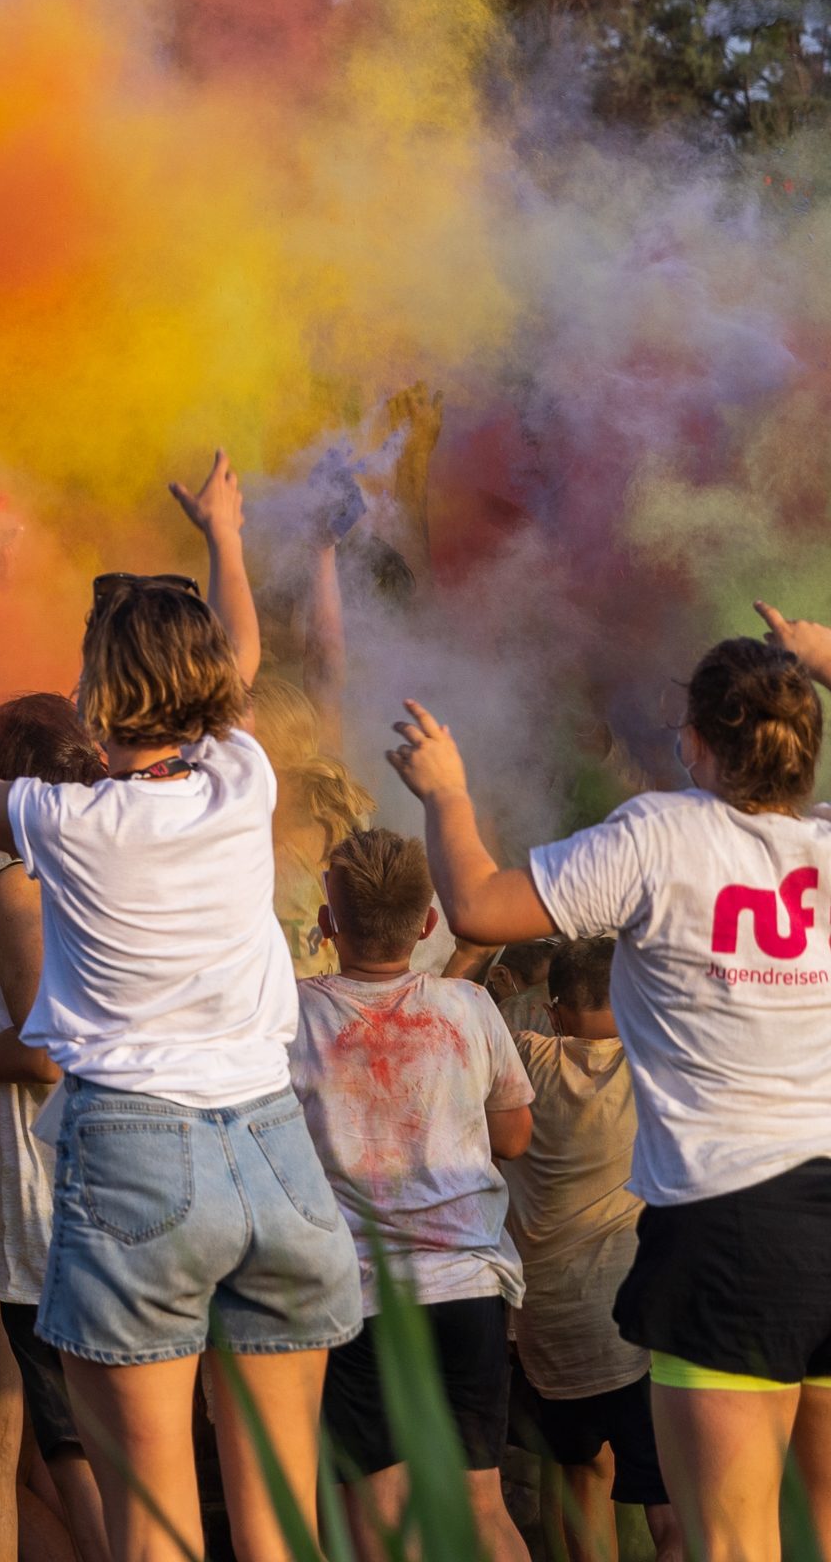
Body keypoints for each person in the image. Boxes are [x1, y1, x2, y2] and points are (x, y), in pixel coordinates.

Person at [0, 458, 357, 1562]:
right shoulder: (245, 778)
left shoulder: (70, 822)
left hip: (139, 1153)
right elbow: (243, 657)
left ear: (97, 695)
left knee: (155, 1526)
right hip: (277, 1150)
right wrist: (225, 535)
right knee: (281, 1523)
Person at [388, 608, 831, 1562]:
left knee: (729, 1541)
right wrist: (821, 657)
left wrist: (446, 792)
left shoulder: (663, 835)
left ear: (698, 743)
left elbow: (477, 906)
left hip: (730, 1229)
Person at [286, 828, 533, 1562]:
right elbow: (515, 1137)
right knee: (483, 1509)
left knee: (381, 1520)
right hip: (465, 1290)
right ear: (429, 922)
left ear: (327, 924)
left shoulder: (293, 1016)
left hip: (357, 1298)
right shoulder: (468, 1007)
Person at [0, 700, 108, 1562]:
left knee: (69, 1439)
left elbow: (46, 1053)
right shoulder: (116, 871)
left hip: (48, 1197)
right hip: (114, 1182)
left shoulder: (24, 882)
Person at [502, 939, 677, 1562]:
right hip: (638, 1330)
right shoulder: (655, 1064)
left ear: (552, 1014)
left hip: (554, 1334)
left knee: (583, 1480)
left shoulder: (521, 1059)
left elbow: (458, 1012)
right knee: (670, 1507)